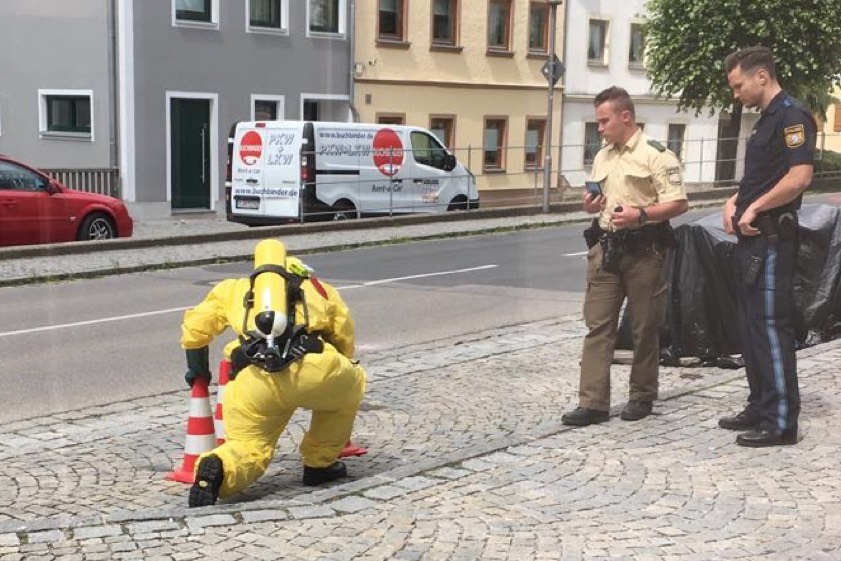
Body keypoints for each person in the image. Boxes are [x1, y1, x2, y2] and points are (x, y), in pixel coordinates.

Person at [180, 239, 367, 507]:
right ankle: (320, 464)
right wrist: (340, 366)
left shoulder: (233, 289)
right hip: (313, 368)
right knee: (350, 390)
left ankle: (220, 466)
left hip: (254, 378)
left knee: (248, 443)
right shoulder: (319, 288)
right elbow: (343, 334)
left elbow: (195, 330)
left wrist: (198, 372)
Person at [562, 86, 689, 427]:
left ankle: (642, 395)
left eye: (604, 121)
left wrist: (641, 215)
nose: (600, 128)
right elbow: (596, 199)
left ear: (626, 117)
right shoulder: (603, 156)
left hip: (644, 250)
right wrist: (590, 205)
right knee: (598, 326)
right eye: (598, 122)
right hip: (606, 248)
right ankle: (593, 403)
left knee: (644, 327)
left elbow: (679, 203)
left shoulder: (657, 155)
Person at [718, 46, 816, 447]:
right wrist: (734, 200)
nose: (736, 94)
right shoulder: (765, 121)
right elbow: (761, 176)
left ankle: (781, 422)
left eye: (738, 85)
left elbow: (799, 177)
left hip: (774, 238)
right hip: (752, 239)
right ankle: (759, 404)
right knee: (750, 326)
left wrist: (756, 206)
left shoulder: (793, 116)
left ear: (761, 76)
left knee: (771, 328)